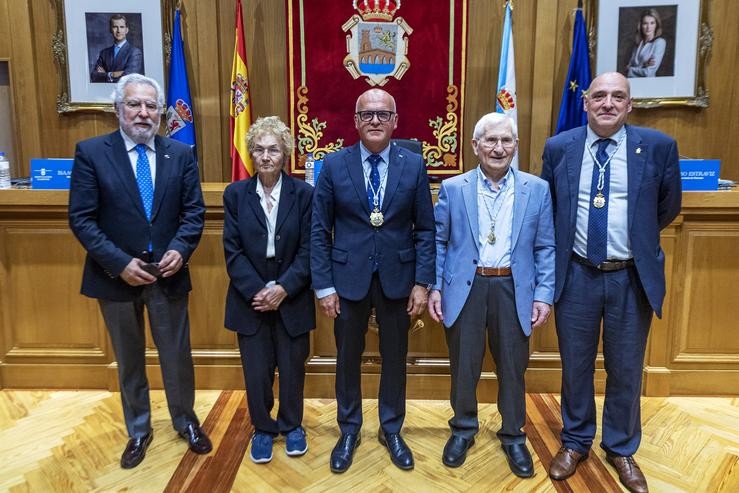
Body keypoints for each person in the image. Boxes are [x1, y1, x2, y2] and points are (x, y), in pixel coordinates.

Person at [541, 72, 681, 493]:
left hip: (630, 276)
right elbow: (549, 207)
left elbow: (667, 207)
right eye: (599, 95)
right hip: (578, 274)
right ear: (585, 103)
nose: (607, 103)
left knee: (626, 368)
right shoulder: (559, 148)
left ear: (629, 104)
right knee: (576, 364)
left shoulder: (658, 147)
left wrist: (632, 241)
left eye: (617, 96)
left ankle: (620, 447)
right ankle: (576, 440)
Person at [68, 73, 211, 469]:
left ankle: (186, 421)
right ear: (118, 109)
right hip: (116, 276)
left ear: (161, 114)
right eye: (135, 104)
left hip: (167, 274)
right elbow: (82, 220)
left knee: (177, 356)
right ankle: (139, 429)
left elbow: (193, 213)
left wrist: (181, 250)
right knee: (129, 358)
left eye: (151, 106)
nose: (144, 113)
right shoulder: (92, 153)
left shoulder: (179, 155)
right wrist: (120, 263)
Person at [311, 88, 436, 473]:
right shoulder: (332, 165)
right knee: (347, 358)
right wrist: (325, 286)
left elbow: (426, 230)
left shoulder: (413, 164)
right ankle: (349, 429)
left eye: (383, 114)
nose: (376, 121)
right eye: (367, 115)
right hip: (347, 279)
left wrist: (422, 282)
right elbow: (319, 231)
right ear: (356, 121)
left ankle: (391, 428)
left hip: (399, 279)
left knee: (395, 357)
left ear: (396, 121)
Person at [428, 112, 555, 476]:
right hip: (465, 289)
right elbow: (439, 241)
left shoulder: (537, 189)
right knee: (464, 367)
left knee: (513, 369)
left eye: (506, 141)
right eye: (491, 140)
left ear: (515, 145)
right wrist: (436, 287)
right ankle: (463, 429)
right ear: (475, 146)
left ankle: (513, 435)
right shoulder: (454, 188)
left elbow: (546, 247)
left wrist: (543, 295)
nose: (499, 148)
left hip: (514, 289)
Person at [222, 116, 315, 464]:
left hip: (293, 297)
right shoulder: (235, 195)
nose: (265, 156)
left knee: (292, 368)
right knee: (257, 371)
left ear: (285, 153)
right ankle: (263, 428)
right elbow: (232, 250)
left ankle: (292, 426)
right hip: (251, 300)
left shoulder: (305, 195)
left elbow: (310, 249)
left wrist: (285, 288)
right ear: (251, 153)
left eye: (273, 149)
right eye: (259, 149)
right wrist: (260, 291)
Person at [90, 14, 144, 83]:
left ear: (126, 30)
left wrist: (106, 74)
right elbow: (94, 76)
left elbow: (129, 78)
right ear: (110, 29)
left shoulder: (135, 52)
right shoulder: (104, 53)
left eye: (121, 27)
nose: (118, 31)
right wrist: (112, 74)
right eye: (115, 27)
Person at [625, 9, 666, 78]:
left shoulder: (660, 42)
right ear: (641, 25)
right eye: (645, 23)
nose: (648, 27)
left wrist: (630, 69)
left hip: (648, 85)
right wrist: (643, 65)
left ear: (656, 25)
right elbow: (626, 69)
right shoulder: (638, 43)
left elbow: (648, 73)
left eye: (652, 23)